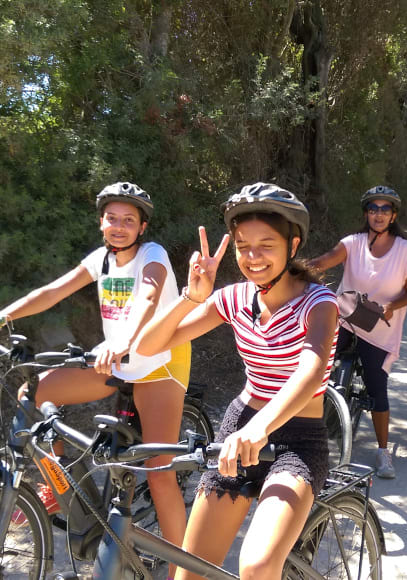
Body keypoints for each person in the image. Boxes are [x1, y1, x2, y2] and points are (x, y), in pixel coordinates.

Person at [0, 182, 191, 573]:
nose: (119, 226)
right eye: (112, 218)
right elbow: (52, 291)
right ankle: (58, 483)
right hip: (114, 359)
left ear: (142, 227)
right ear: (101, 222)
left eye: (129, 220)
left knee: (158, 474)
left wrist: (123, 341)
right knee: (33, 393)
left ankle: (182, 572)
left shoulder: (152, 254)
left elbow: (150, 297)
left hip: (159, 363)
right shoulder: (101, 259)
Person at [135, 183, 338, 580]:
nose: (252, 257)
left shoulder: (318, 303)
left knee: (257, 566)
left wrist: (260, 429)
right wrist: (192, 297)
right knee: (189, 570)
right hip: (238, 428)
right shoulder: (234, 298)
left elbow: (310, 372)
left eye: (266, 245)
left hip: (297, 440)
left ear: (293, 245)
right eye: (243, 246)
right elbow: (147, 346)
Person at [308, 185, 407, 479]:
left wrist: (393, 306)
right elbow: (322, 262)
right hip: (345, 318)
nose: (378, 214)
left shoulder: (404, 251)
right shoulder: (353, 243)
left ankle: (383, 452)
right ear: (366, 214)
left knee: (376, 387)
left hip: (380, 329)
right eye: (373, 209)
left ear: (393, 215)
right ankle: (300, 430)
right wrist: (295, 271)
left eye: (385, 209)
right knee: (313, 367)